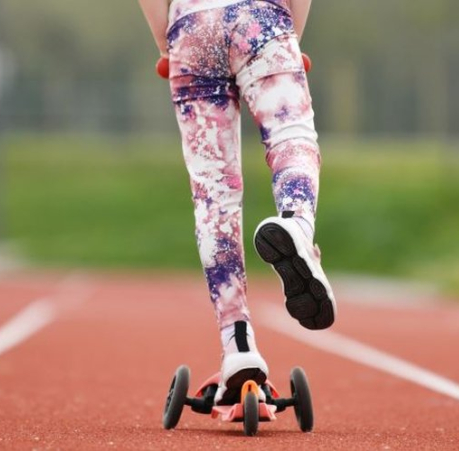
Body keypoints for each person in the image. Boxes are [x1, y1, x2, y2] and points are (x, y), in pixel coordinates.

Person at [138, 0, 336, 405]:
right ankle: (296, 222)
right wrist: (290, 37)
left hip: (191, 27)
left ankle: (237, 344)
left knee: (214, 191)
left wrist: (166, 43)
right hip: (262, 18)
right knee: (290, 137)